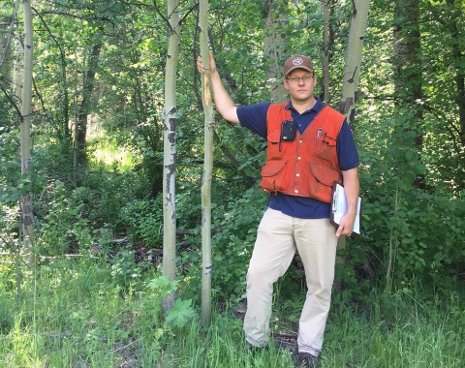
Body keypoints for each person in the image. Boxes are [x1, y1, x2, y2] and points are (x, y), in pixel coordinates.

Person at [196, 53, 360, 368]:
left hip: (318, 219)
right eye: (294, 77)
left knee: (320, 286)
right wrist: (213, 75)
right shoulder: (271, 114)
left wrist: (350, 212)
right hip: (278, 214)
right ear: (286, 83)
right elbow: (228, 111)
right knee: (258, 275)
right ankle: (255, 342)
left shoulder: (335, 122)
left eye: (306, 76)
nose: (301, 81)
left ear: (314, 81)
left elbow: (351, 172)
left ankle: (308, 350)